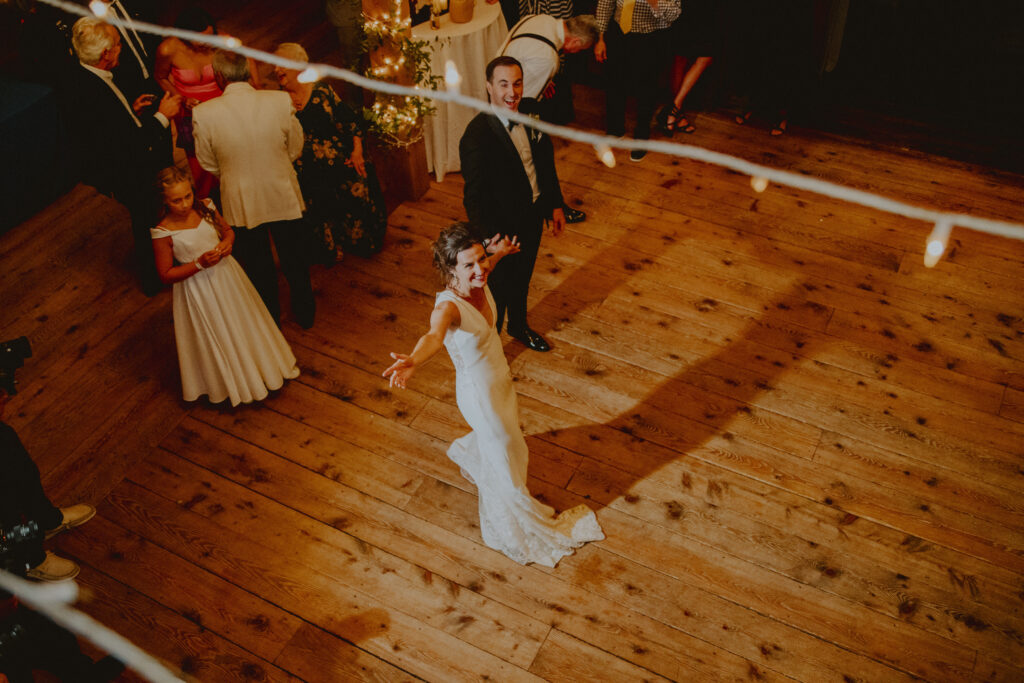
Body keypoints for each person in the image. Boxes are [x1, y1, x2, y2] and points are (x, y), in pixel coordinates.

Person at [383, 223, 604, 567]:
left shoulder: (479, 277)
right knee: (506, 450)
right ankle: (512, 522)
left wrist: (498, 254)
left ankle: (504, 476)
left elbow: (486, 268)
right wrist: (413, 359)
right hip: (480, 397)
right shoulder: (448, 308)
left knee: (510, 444)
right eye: (469, 265)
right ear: (450, 270)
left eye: (481, 259)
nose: (480, 269)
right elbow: (433, 335)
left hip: (500, 381)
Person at [150, 167, 300, 406]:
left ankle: (263, 372)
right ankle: (232, 384)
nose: (185, 204)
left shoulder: (206, 206)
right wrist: (198, 264)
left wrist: (228, 244)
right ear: (164, 201)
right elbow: (166, 274)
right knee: (219, 331)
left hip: (228, 277)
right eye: (176, 200)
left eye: (188, 196)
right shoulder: (163, 232)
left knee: (244, 324)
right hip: (199, 291)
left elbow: (227, 231)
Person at [193, 50, 316, 328]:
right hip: (281, 189)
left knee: (258, 264)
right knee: (294, 256)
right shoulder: (279, 101)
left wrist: (234, 174)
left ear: (220, 77)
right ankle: (305, 311)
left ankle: (270, 317)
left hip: (240, 198)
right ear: (248, 73)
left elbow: (208, 162)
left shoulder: (204, 114)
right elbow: (296, 146)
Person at [63, 16, 182, 295]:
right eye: (118, 45)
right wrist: (163, 117)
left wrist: (130, 112)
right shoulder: (95, 95)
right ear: (106, 54)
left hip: (116, 158)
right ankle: (155, 278)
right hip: (125, 171)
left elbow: (108, 126)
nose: (121, 49)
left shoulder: (85, 77)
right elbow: (130, 146)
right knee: (146, 221)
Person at [459, 56, 566, 352]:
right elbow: (474, 196)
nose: (512, 92)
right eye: (503, 84)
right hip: (501, 229)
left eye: (517, 83)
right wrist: (491, 239)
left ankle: (519, 326)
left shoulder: (531, 111)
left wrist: (555, 204)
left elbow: (545, 162)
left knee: (523, 277)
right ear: (489, 87)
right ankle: (491, 349)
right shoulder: (476, 136)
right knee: (497, 291)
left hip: (531, 216)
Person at [274, 42, 388, 262]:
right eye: (275, 66)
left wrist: (357, 151)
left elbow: (349, 120)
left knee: (357, 179)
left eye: (282, 65)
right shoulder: (277, 101)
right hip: (305, 170)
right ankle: (330, 247)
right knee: (312, 192)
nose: (276, 70)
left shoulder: (322, 91)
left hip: (338, 161)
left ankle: (356, 240)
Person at [497, 13, 597, 224]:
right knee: (541, 155)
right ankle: (551, 206)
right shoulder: (548, 59)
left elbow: (517, 54)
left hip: (496, 80)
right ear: (576, 41)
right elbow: (521, 102)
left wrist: (542, 81)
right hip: (508, 108)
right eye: (580, 49)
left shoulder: (539, 18)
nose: (576, 52)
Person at [594, 0, 680, 161]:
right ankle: (615, 130)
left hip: (652, 38)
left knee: (646, 89)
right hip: (619, 32)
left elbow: (674, 14)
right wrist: (600, 37)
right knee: (614, 83)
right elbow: (605, 3)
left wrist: (654, 2)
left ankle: (641, 137)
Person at [154, 6, 224, 199]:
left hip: (221, 106)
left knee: (226, 155)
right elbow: (161, 77)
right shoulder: (168, 49)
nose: (205, 43)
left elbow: (245, 63)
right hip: (189, 112)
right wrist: (182, 99)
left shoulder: (221, 42)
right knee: (200, 165)